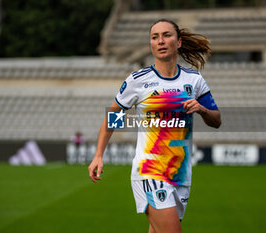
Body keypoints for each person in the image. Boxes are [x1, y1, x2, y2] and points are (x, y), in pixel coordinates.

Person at [88, 18, 221, 233]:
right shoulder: (138, 80)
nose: (160, 41)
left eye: (166, 35)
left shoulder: (194, 80)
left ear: (178, 42)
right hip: (150, 171)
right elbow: (113, 116)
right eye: (154, 37)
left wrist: (202, 109)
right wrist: (98, 155)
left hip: (180, 174)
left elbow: (217, 120)